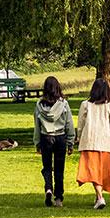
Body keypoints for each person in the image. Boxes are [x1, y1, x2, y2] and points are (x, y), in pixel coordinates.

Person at [74, 78, 110, 209]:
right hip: (105, 142)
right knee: (101, 171)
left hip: (89, 141)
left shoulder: (85, 105)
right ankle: (99, 196)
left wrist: (79, 137)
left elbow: (80, 124)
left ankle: (100, 197)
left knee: (92, 171)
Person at [32, 76, 75, 207]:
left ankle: (48, 188)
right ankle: (58, 197)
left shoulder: (39, 105)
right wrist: (70, 142)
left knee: (46, 167)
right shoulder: (64, 104)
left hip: (46, 137)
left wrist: (37, 143)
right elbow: (69, 124)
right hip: (60, 137)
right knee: (59, 168)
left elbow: (37, 125)